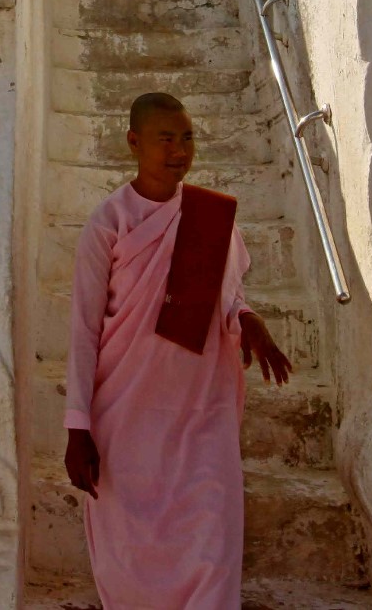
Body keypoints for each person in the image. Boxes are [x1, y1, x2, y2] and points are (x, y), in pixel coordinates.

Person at [65, 92, 293, 610]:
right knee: (129, 550)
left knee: (213, 531)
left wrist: (248, 319)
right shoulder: (109, 222)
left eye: (187, 138)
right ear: (134, 142)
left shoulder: (212, 218)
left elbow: (230, 293)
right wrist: (77, 424)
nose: (179, 150)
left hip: (199, 407)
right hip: (128, 411)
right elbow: (83, 327)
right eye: (165, 138)